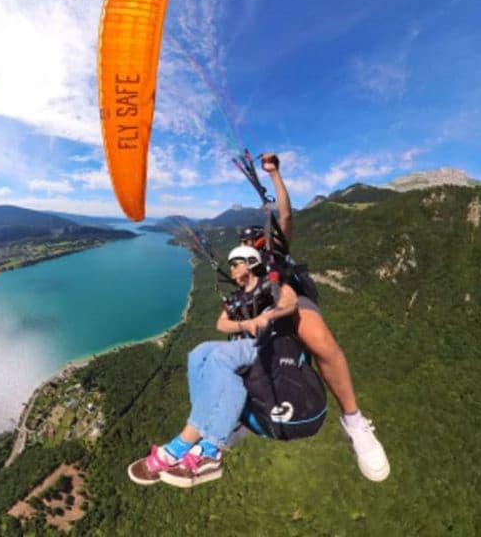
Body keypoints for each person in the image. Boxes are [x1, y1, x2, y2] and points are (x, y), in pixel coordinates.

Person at [242, 153, 390, 482]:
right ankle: (222, 427)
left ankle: (353, 421)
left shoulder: (276, 255)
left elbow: (286, 215)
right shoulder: (242, 270)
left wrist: (275, 175)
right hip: (262, 311)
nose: (254, 247)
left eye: (257, 242)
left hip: (292, 301)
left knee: (321, 339)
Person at [128, 245, 299, 488]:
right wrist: (247, 323)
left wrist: (269, 316)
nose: (231, 268)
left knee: (219, 359)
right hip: (246, 344)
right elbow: (221, 324)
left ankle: (203, 449)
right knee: (197, 355)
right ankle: (199, 434)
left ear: (250, 262)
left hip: (269, 344)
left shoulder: (268, 286)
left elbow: (291, 300)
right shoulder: (236, 298)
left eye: (235, 262)